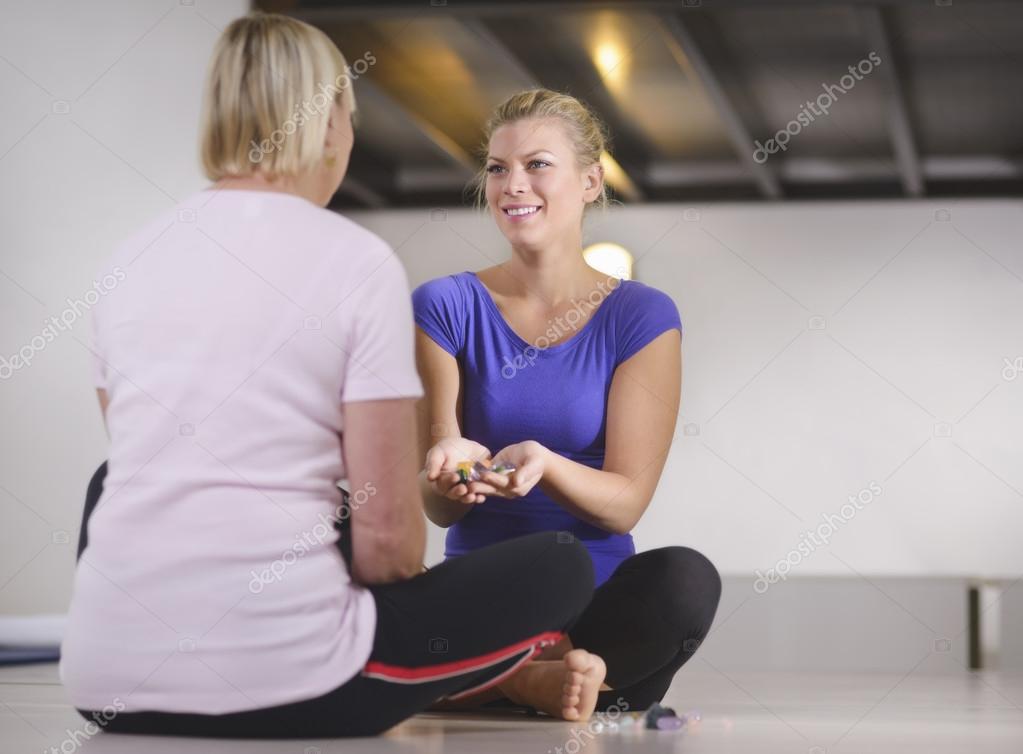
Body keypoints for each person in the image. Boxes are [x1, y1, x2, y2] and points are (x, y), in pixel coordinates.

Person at [60, 16, 606, 739]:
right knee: (559, 566)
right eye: (349, 114)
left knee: (113, 477)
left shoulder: (128, 260)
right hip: (299, 687)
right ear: (326, 125)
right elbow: (389, 547)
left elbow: (149, 469)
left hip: (108, 685)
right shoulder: (355, 261)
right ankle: (507, 673)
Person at [412, 89, 722, 713]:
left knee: (687, 578)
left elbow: (624, 506)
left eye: (537, 165)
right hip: (482, 602)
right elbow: (437, 507)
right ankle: (539, 683)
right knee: (350, 545)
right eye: (497, 168)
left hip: (596, 613)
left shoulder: (641, 315)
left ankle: (495, 680)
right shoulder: (443, 305)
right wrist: (448, 473)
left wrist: (544, 463)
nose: (512, 185)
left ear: (590, 181)